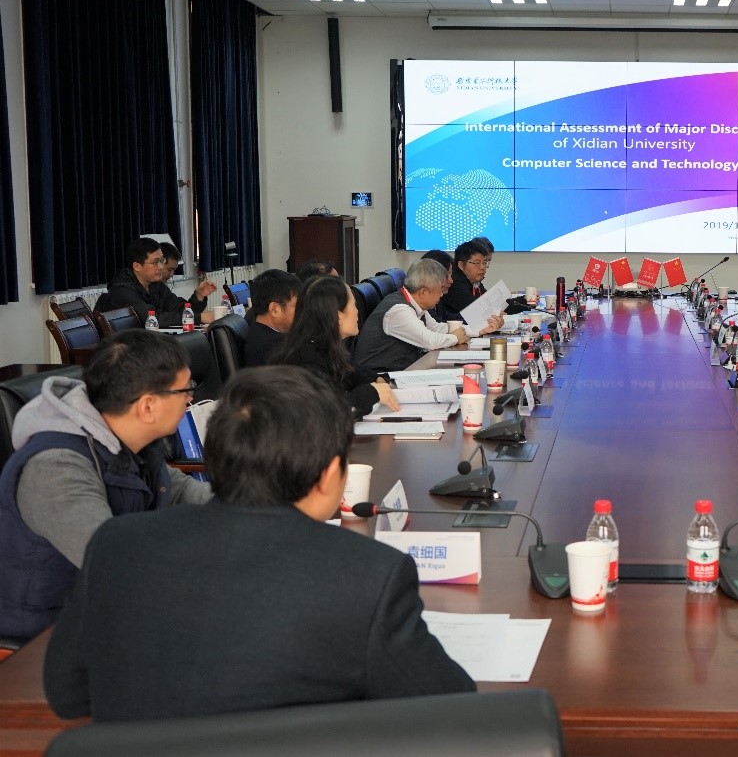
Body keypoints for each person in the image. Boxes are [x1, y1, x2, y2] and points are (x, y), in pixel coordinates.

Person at [43, 366, 476, 722]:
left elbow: (68, 694)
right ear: (329, 475)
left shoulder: (117, 544)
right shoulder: (369, 575)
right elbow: (451, 708)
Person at [0, 331, 211, 641]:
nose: (190, 397)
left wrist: (251, 504)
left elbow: (178, 490)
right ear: (147, 406)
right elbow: (115, 561)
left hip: (104, 610)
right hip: (42, 637)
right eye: (185, 389)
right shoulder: (55, 469)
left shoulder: (130, 440)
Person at [273, 276, 398, 419]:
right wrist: (372, 393)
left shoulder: (326, 348)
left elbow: (353, 374)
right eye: (354, 305)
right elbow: (326, 413)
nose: (357, 311)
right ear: (338, 316)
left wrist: (375, 379)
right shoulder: (306, 359)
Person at [353, 259, 502, 374]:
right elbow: (430, 341)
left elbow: (437, 328)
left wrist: (480, 329)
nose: (442, 295)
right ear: (423, 292)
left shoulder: (415, 303)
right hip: (382, 378)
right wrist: (456, 337)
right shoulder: (399, 311)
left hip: (404, 370)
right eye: (440, 290)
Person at [96, 237, 217, 327]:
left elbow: (180, 310)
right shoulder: (122, 291)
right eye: (155, 262)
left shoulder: (156, 285)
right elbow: (152, 318)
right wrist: (199, 318)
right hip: (122, 349)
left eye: (161, 261)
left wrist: (199, 296)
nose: (160, 267)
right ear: (137, 266)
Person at [243, 269, 301, 367]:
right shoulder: (274, 349)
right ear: (275, 309)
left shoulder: (259, 329)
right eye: (299, 306)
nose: (303, 311)